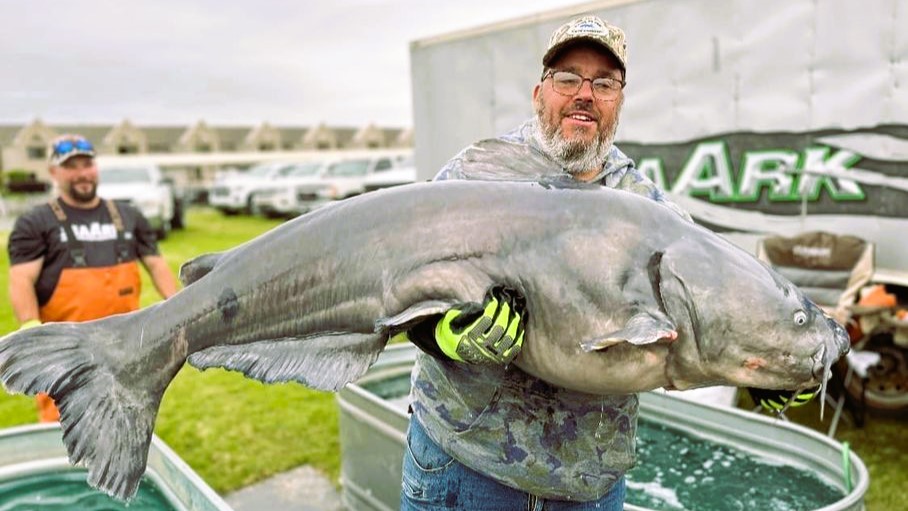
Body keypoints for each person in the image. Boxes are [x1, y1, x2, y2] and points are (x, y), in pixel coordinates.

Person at [397, 15, 690, 510]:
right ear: (539, 93)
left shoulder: (653, 212)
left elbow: (698, 326)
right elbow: (403, 282)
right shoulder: (476, 175)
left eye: (604, 83)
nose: (585, 94)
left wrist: (769, 364)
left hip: (586, 485)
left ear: (618, 102)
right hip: (464, 466)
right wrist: (443, 336)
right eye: (568, 77)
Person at [6, 134, 179, 423]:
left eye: (87, 164)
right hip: (66, 350)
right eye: (71, 167)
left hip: (124, 346)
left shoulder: (128, 216)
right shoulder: (36, 222)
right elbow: (21, 279)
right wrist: (31, 327)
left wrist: (177, 306)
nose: (82, 174)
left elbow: (156, 264)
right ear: (53, 172)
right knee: (66, 428)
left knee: (128, 419)